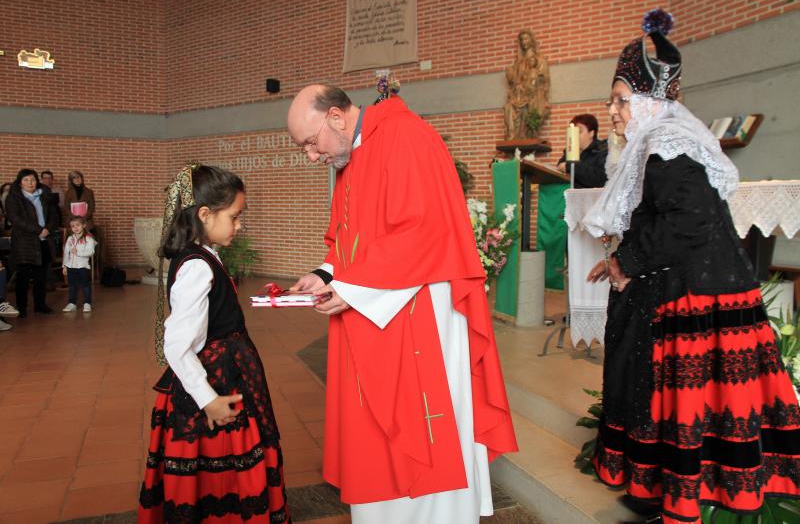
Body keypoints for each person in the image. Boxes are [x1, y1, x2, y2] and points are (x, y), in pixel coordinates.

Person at [582, 10, 800, 523]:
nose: (611, 111)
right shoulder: (658, 145)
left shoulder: (669, 148)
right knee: (661, 400)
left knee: (684, 405)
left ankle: (678, 498)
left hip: (695, 295)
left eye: (620, 100)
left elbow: (691, 222)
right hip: (682, 284)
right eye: (612, 100)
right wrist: (621, 260)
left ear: (652, 102)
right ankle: (657, 489)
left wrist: (626, 261)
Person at [287, 85, 517, 524]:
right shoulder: (354, 156)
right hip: (379, 307)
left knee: (423, 434)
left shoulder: (407, 137)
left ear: (335, 117)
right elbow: (348, 239)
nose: (312, 157)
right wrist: (324, 274)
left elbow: (424, 232)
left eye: (310, 144)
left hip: (420, 312)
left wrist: (352, 290)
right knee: (375, 433)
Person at [138, 163, 289, 523]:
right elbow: (177, 345)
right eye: (235, 217)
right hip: (217, 384)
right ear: (204, 214)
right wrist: (209, 400)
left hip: (227, 374)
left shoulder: (204, 256)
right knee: (221, 471)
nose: (239, 225)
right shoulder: (196, 266)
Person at [5, 169, 57, 317]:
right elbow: (15, 219)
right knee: (23, 277)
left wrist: (47, 228)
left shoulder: (44, 195)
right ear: (20, 182)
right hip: (24, 242)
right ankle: (21, 307)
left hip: (43, 240)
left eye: (33, 180)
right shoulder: (14, 197)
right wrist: (38, 230)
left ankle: (40, 305)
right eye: (26, 180)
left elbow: (53, 214)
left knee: (41, 275)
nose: (30, 183)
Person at [503, 29, 550, 139]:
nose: (524, 42)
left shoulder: (540, 60)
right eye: (521, 40)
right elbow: (514, 80)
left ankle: (526, 134)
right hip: (519, 95)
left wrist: (533, 80)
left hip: (532, 94)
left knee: (529, 108)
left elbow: (543, 79)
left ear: (531, 40)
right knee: (508, 107)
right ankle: (512, 136)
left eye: (526, 38)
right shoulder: (519, 63)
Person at [556, 114, 608, 188]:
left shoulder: (602, 150)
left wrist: (571, 166)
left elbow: (600, 179)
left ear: (591, 133)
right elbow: (560, 166)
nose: (575, 135)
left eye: (579, 131)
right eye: (573, 132)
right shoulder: (571, 150)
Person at [62, 216, 96, 312]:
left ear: (84, 225)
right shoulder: (70, 238)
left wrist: (78, 253)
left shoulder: (88, 238)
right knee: (72, 285)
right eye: (73, 226)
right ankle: (72, 303)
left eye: (78, 225)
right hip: (71, 266)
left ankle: (87, 303)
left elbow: (91, 252)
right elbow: (66, 253)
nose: (75, 228)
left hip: (83, 267)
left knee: (85, 285)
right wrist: (64, 266)